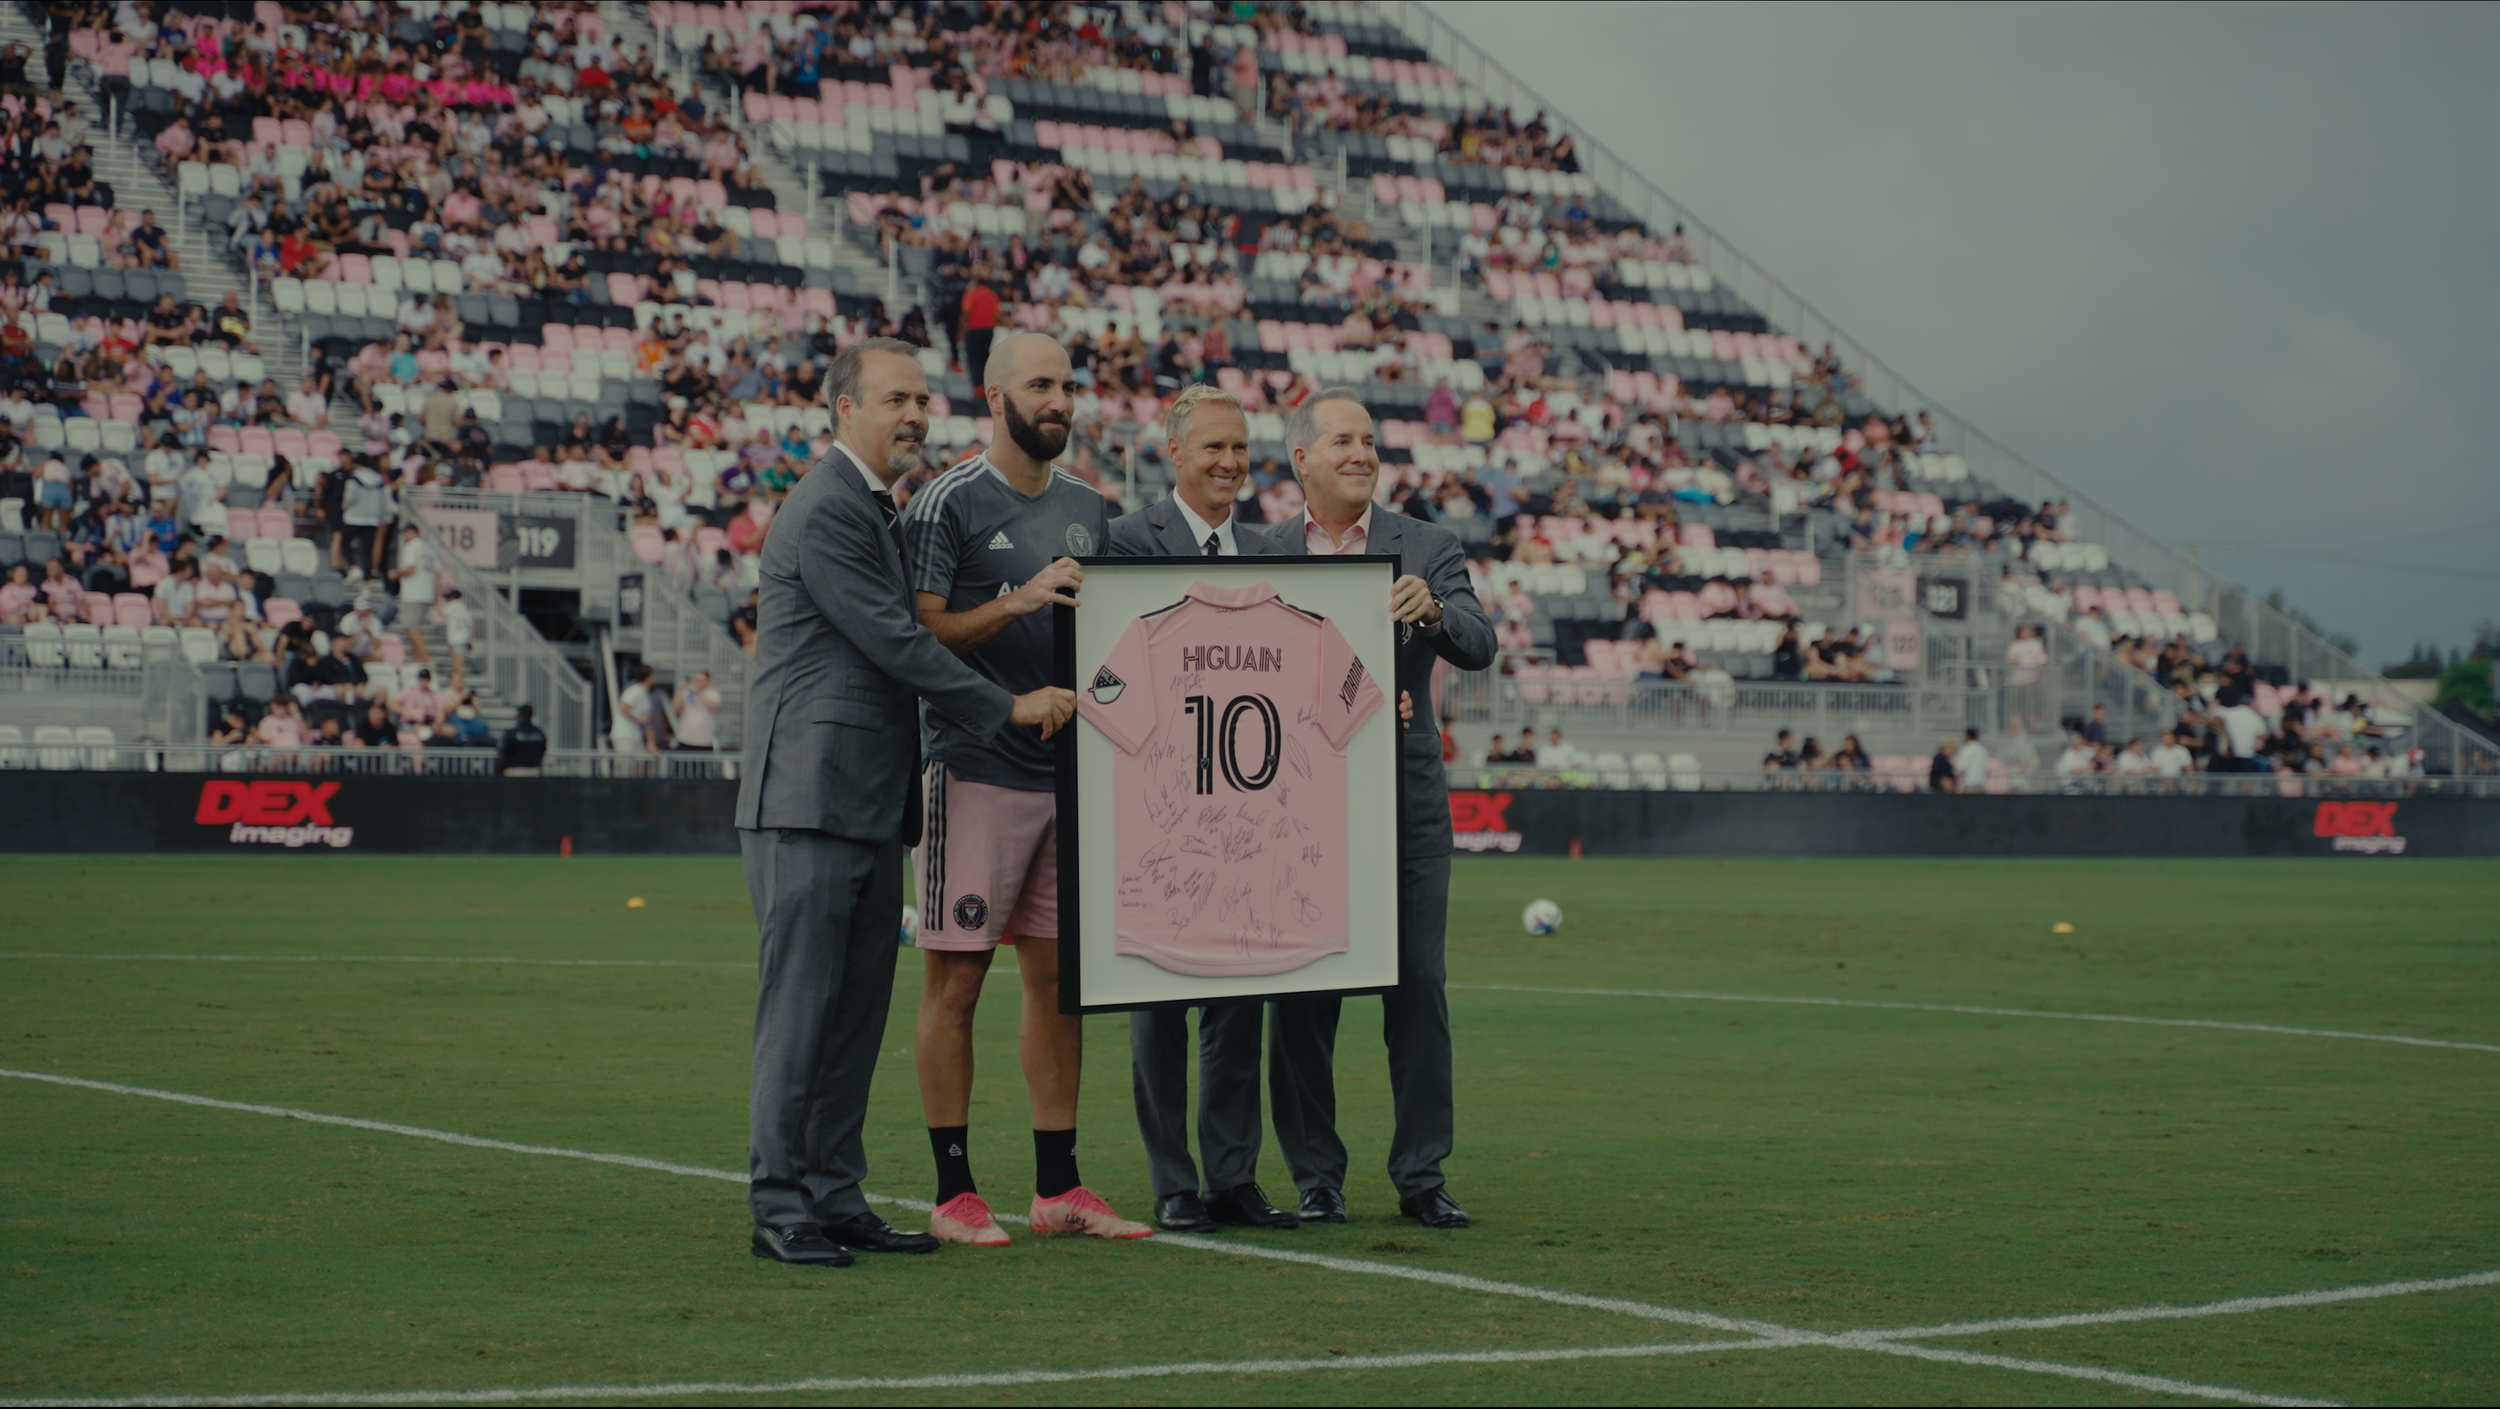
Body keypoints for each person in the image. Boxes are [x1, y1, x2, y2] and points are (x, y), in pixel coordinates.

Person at [735, 336, 1073, 1269]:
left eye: (923, 400)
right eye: (895, 400)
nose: (916, 416)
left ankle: (835, 1194)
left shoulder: (878, 508)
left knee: (853, 1017)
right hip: (806, 795)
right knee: (802, 1011)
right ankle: (780, 1203)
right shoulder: (831, 507)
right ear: (843, 408)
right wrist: (1007, 703)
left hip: (863, 798)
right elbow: (896, 642)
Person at [897, 332, 1148, 1247]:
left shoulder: (1093, 506)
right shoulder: (946, 503)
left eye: (1069, 385)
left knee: (1058, 985)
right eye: (1041, 384)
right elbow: (916, 642)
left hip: (1067, 777)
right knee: (956, 980)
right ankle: (954, 1188)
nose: (1060, 400)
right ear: (993, 394)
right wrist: (1016, 602)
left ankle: (1058, 1187)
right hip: (971, 770)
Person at [1258, 386, 1496, 1230]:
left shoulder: (1426, 545)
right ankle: (1316, 1177)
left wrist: (1432, 609)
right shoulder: (1263, 549)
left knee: (1418, 989)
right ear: (1303, 460)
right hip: (1294, 810)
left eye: (1369, 439)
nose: (1361, 452)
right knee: (1302, 997)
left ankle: (1422, 1175)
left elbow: (1479, 639)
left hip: (1405, 802)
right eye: (1344, 440)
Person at [1105, 385, 1299, 1234]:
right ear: (1174, 453)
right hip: (1156, 813)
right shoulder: (1122, 543)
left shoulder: (1269, 552)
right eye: (1215, 448)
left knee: (1239, 1003)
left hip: (1245, 813)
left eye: (1242, 450)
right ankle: (1172, 1180)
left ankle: (1233, 1178)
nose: (1230, 463)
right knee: (1158, 1007)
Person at [671, 668, 722, 750]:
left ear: (708, 681)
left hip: (705, 741)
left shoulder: (712, 692)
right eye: (697, 680)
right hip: (685, 739)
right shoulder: (687, 692)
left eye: (701, 680)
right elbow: (675, 708)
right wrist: (680, 689)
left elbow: (714, 706)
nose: (698, 683)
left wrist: (699, 692)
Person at [612, 662, 656, 753]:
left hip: (635, 736)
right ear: (649, 677)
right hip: (625, 735)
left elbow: (647, 720)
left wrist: (651, 742)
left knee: (639, 765)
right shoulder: (634, 691)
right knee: (626, 765)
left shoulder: (645, 694)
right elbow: (623, 709)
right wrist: (637, 719)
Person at [498, 703, 548, 776]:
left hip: (514, 771)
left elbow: (503, 755)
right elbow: (543, 752)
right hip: (535, 771)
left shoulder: (512, 733)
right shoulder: (540, 733)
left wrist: (499, 771)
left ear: (518, 715)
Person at [1954, 728, 1990, 793]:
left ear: (1967, 736)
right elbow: (1987, 770)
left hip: (1969, 786)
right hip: (1981, 786)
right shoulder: (1983, 750)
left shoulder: (1966, 750)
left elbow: (1962, 769)